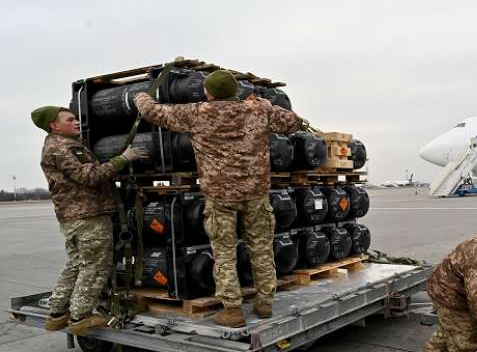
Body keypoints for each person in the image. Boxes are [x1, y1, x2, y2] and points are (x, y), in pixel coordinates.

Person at [134, 70, 303, 327]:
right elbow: (295, 123)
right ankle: (265, 303)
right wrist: (265, 104)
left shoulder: (197, 113)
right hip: (256, 193)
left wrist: (141, 97)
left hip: (220, 197)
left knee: (224, 253)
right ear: (235, 91)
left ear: (208, 92)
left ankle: (232, 311)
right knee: (261, 249)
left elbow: (153, 113)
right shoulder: (258, 111)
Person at [32, 106, 147, 335]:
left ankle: (58, 313)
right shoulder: (65, 147)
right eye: (70, 119)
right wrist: (123, 159)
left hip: (73, 216)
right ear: (55, 126)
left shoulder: (54, 145)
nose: (77, 122)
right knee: (95, 265)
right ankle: (80, 316)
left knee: (76, 264)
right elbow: (90, 176)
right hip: (88, 215)